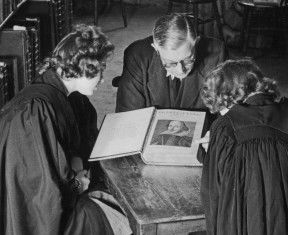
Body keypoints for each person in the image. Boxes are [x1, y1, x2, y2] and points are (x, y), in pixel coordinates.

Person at [0, 25, 131, 235]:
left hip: (64, 191)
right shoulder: (33, 112)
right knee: (105, 215)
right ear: (82, 68)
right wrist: (77, 184)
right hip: (36, 217)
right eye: (101, 70)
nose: (104, 80)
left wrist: (79, 170)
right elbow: (41, 196)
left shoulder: (71, 98)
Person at [199, 59, 288, 235]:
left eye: (221, 108)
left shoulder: (223, 127)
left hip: (244, 224)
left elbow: (212, 193)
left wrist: (212, 152)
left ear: (230, 99)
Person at [115, 13, 228, 113]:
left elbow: (226, 113)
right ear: (155, 49)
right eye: (170, 63)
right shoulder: (137, 56)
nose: (181, 70)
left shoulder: (217, 54)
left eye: (188, 59)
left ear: (196, 42)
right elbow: (127, 114)